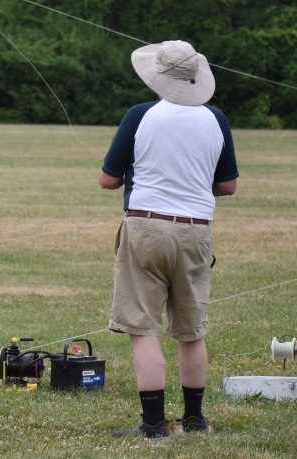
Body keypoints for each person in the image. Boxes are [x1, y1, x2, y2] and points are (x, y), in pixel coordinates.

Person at [99, 40, 238, 439]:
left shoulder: (140, 115)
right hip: (196, 230)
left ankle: (154, 425)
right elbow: (227, 185)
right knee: (192, 331)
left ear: (157, 77)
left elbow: (108, 179)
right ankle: (194, 419)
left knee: (144, 328)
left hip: (145, 227)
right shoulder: (216, 118)